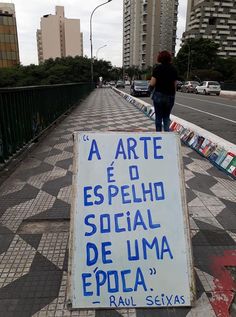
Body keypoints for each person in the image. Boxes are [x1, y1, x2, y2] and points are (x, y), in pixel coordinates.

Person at [149, 51, 178, 132]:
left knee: (158, 117)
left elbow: (152, 83)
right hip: (170, 96)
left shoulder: (157, 68)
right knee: (166, 117)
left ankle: (159, 135)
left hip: (158, 95)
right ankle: (167, 135)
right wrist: (173, 94)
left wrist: (150, 90)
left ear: (160, 58)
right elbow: (175, 84)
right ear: (169, 58)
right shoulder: (173, 69)